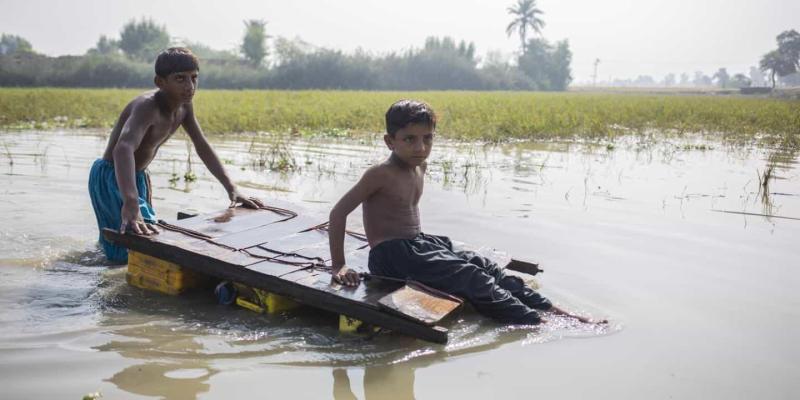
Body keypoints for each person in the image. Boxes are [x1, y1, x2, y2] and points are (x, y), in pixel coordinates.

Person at [328, 99, 602, 325]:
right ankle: (536, 322)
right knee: (471, 277)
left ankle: (554, 311)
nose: (420, 148)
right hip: (392, 256)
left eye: (427, 139)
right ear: (390, 141)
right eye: (409, 139)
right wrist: (339, 264)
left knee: (484, 266)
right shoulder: (380, 174)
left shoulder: (419, 167)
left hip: (420, 244)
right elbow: (338, 213)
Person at [89, 47, 260, 263]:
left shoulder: (184, 107)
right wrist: (130, 200)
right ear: (160, 82)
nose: (190, 86)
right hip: (113, 176)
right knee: (130, 244)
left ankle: (101, 260)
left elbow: (201, 145)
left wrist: (232, 189)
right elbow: (122, 149)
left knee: (140, 234)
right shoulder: (147, 106)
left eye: (194, 78)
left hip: (137, 176)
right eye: (180, 79)